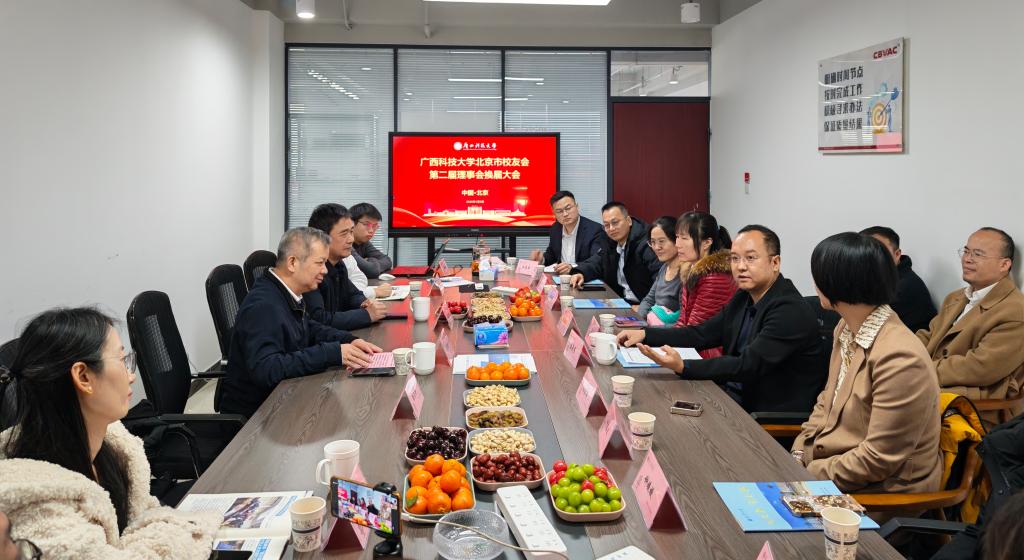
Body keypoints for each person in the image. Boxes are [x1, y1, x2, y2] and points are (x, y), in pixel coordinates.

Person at [0, 307, 219, 559]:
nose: (131, 376)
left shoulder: (112, 447)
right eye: (122, 360)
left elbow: (143, 516)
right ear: (83, 377)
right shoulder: (41, 510)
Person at [791, 233, 942, 496]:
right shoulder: (846, 327)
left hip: (882, 490)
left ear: (838, 282)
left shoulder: (900, 357)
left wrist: (809, 473)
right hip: (834, 469)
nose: (815, 284)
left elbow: (878, 458)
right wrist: (799, 452)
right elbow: (827, 401)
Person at [618, 225, 826, 413]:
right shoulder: (744, 296)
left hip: (764, 415)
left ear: (775, 262)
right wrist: (645, 335)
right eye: (735, 258)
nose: (740, 266)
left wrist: (683, 366)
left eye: (750, 258)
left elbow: (747, 365)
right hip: (731, 397)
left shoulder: (788, 310)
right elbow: (702, 334)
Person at [220, 227, 382, 418]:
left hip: (283, 398)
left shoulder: (285, 291)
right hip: (257, 418)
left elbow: (309, 327)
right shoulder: (264, 305)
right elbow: (267, 369)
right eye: (319, 263)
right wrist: (331, 353)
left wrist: (348, 340)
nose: (324, 270)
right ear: (292, 263)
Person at [916, 227, 1024, 426]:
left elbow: (981, 368)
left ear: (1004, 264)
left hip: (976, 407)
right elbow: (928, 335)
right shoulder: (956, 297)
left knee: (892, 398)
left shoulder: (1016, 310)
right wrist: (899, 355)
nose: (967, 259)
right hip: (938, 386)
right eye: (966, 251)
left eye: (978, 254)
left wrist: (920, 370)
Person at [305, 203, 388, 331]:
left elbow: (352, 295)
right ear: (322, 237)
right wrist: (366, 315)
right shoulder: (310, 270)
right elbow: (318, 319)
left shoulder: (339, 264)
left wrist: (365, 303)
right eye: (344, 234)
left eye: (351, 232)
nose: (351, 239)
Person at [569, 202, 661, 304]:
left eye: (615, 222)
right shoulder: (610, 241)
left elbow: (660, 281)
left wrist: (646, 307)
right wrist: (580, 273)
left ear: (629, 221)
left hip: (643, 305)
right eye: (606, 225)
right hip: (622, 301)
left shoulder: (646, 244)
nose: (611, 229)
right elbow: (597, 262)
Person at [672, 211, 736, 359]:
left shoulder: (714, 277)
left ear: (707, 242)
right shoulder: (692, 269)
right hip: (692, 348)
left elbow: (696, 333)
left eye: (684, 238)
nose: (677, 244)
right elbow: (682, 322)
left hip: (708, 356)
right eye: (677, 237)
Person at [860, 226, 937, 332]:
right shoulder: (878, 279)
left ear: (897, 254)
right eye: (863, 252)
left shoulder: (902, 288)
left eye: (878, 251)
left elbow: (862, 329)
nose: (869, 257)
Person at [530, 190, 602, 275]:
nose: (565, 214)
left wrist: (572, 268)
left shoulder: (594, 230)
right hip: (560, 278)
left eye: (568, 208)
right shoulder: (555, 228)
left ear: (577, 206)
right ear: (554, 213)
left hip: (583, 277)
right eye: (559, 211)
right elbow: (552, 254)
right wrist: (542, 260)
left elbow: (596, 260)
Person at [635, 216, 682, 321]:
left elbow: (684, 319)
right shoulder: (664, 268)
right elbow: (649, 300)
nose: (656, 247)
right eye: (653, 242)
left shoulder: (686, 274)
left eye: (661, 241)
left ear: (676, 240)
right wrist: (638, 321)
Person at [350, 203, 393, 279]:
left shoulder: (364, 243)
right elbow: (372, 271)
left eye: (374, 226)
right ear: (352, 224)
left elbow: (387, 260)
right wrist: (371, 261)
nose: (371, 230)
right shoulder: (345, 244)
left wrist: (369, 261)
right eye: (366, 224)